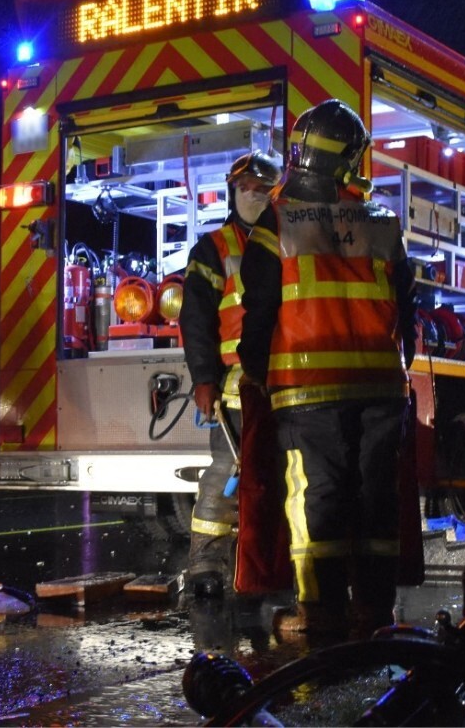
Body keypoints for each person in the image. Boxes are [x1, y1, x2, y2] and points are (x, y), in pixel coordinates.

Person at [237, 99, 416, 638]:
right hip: (382, 387)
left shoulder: (278, 220)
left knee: (318, 498)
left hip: (306, 388)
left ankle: (319, 611)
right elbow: (407, 309)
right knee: (375, 498)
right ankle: (375, 608)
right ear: (347, 159)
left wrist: (252, 371)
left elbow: (260, 306)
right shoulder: (382, 223)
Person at [179, 151, 282, 597]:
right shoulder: (214, 248)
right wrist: (204, 379)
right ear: (232, 192)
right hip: (235, 389)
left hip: (284, 385)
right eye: (247, 189)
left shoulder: (287, 239)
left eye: (264, 191)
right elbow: (196, 319)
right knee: (224, 474)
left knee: (278, 478)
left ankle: (269, 568)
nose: (254, 197)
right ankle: (207, 567)